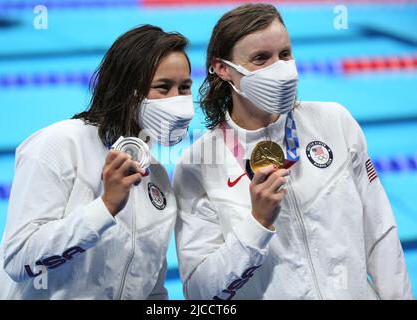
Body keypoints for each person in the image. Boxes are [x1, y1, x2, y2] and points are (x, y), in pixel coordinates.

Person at [173, 4, 413, 300]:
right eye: (261, 59)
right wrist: (256, 224)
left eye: (284, 54)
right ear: (223, 69)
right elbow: (200, 294)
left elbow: (381, 234)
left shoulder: (335, 122)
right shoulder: (197, 166)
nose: (281, 69)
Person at [0, 25, 194, 299]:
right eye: (163, 87)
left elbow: (151, 289)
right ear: (128, 91)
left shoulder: (156, 177)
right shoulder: (58, 145)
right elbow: (18, 259)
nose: (177, 101)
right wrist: (105, 207)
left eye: (185, 87)